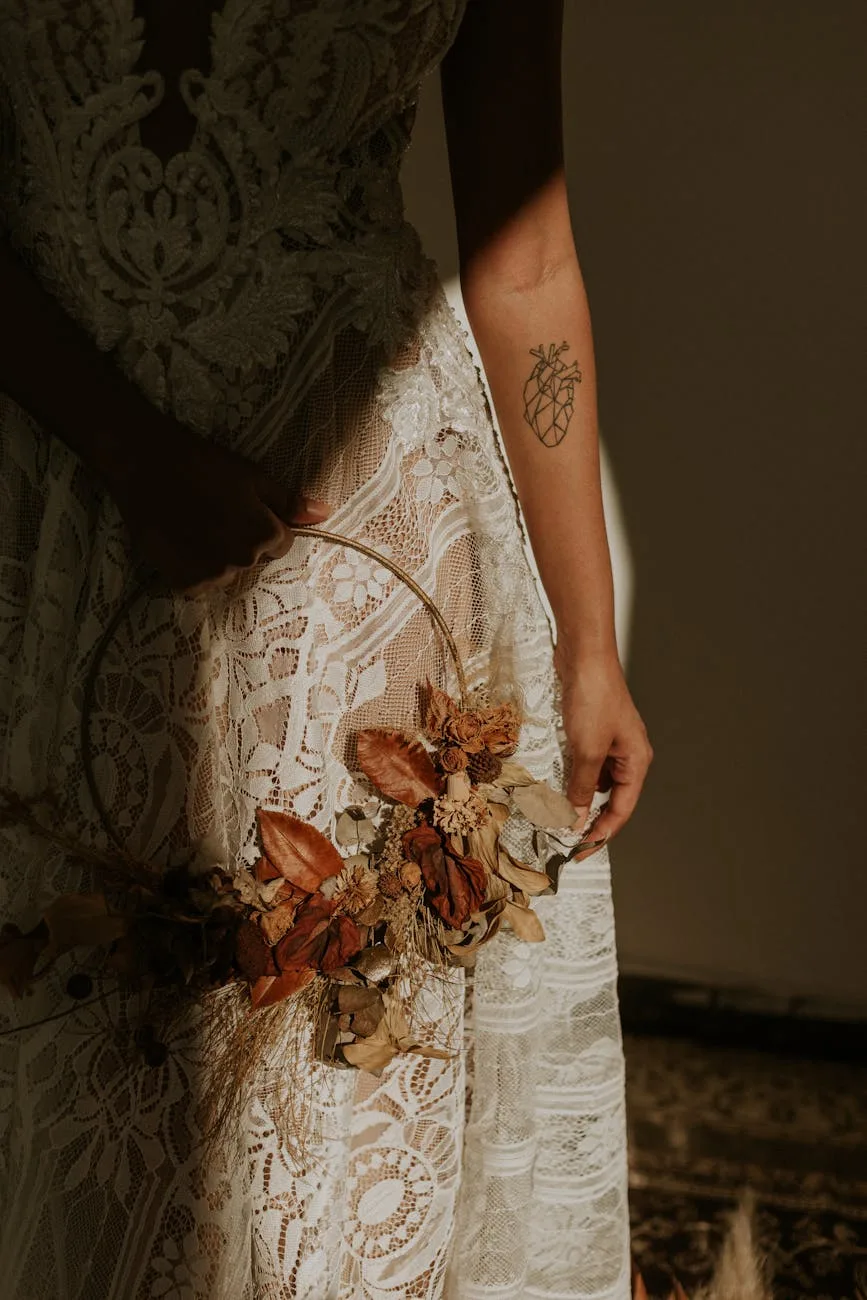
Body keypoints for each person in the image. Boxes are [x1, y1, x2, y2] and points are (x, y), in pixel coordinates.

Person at [0, 0, 652, 1295]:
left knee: (329, 1051)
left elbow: (523, 267)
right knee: (67, 1022)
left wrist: (589, 644)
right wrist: (125, 448)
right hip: (44, 494)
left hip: (356, 556)